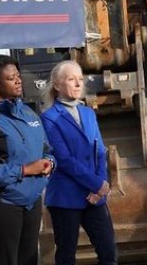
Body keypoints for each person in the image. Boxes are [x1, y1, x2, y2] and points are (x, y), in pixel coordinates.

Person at [0, 54, 55, 265]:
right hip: (1, 203)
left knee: (30, 260)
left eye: (18, 75)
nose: (18, 80)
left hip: (31, 201)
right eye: (10, 77)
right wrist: (25, 170)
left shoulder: (29, 113)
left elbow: (46, 149)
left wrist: (50, 163)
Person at [40, 60, 117, 265]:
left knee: (109, 253)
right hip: (66, 197)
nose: (77, 84)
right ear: (57, 85)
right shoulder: (49, 118)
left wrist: (100, 185)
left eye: (80, 79)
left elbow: (100, 151)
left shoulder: (88, 113)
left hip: (95, 197)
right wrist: (96, 184)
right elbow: (64, 159)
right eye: (71, 79)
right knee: (66, 256)